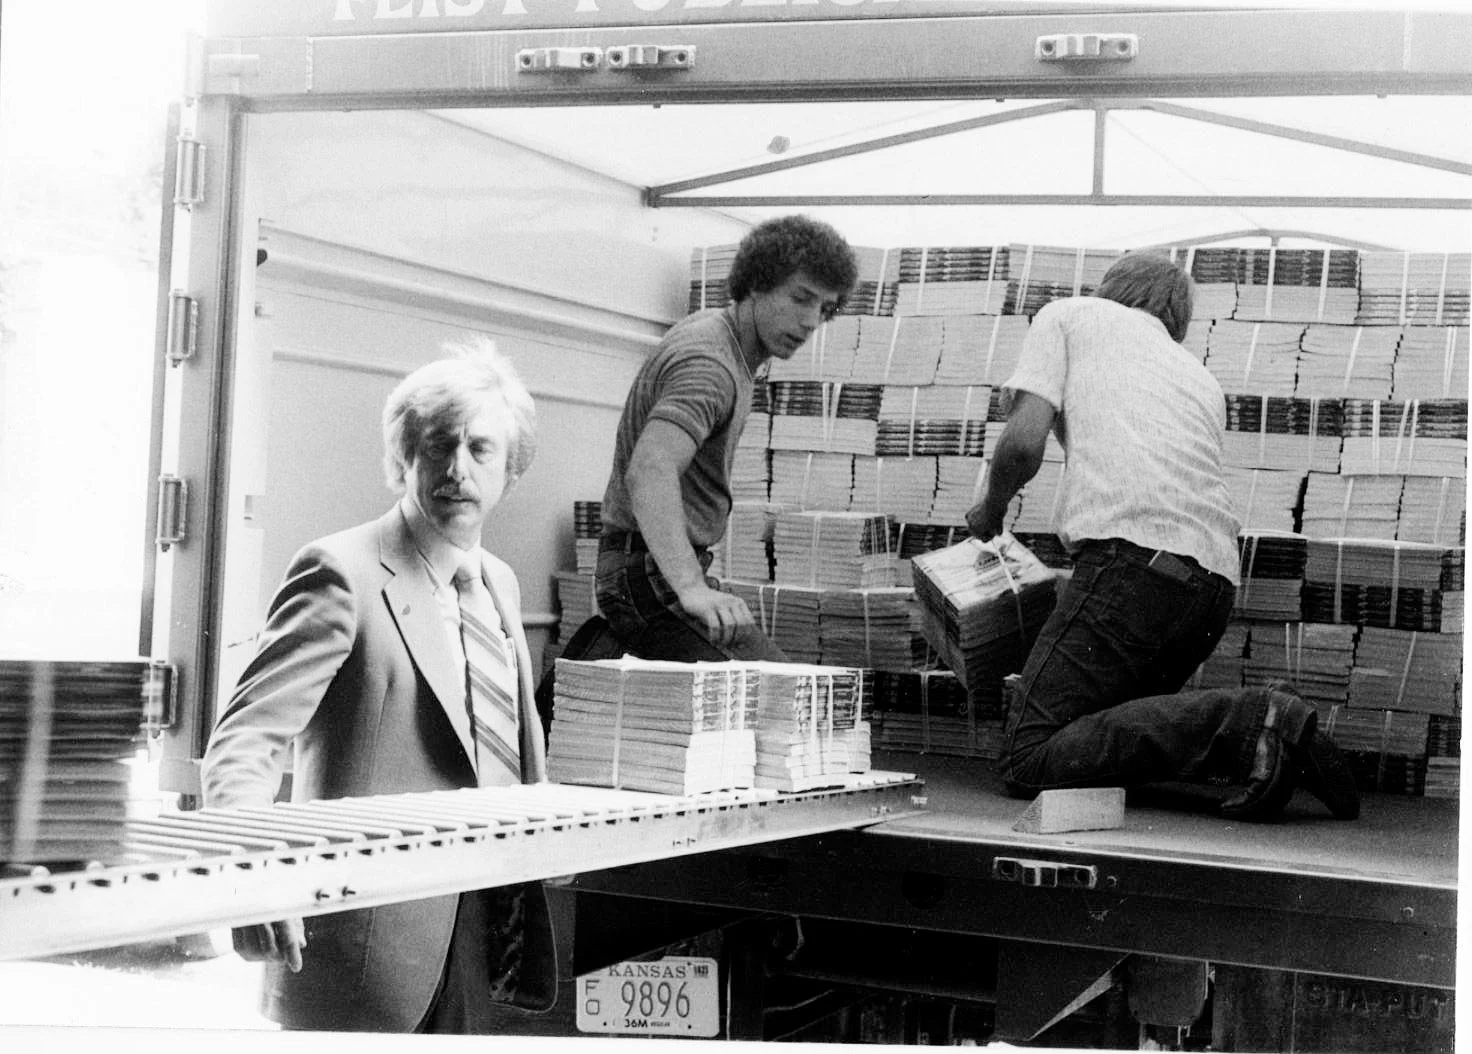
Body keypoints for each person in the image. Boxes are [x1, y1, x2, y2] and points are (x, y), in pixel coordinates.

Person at [200, 339, 558, 1031]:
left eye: (481, 450)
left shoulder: (501, 585)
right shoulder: (342, 572)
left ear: (510, 470)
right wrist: (254, 875)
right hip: (365, 951)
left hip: (483, 932)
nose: (457, 469)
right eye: (437, 446)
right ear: (403, 460)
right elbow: (244, 740)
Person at [966, 253, 1359, 822]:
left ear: (1110, 289)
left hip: (1131, 572)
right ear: (1176, 319)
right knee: (1094, 738)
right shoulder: (1197, 375)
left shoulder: (1070, 316)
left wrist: (990, 509)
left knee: (1029, 757)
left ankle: (1255, 721)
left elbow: (1023, 444)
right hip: (1211, 589)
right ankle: (1267, 740)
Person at [595, 214, 859, 661]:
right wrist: (692, 588)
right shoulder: (711, 366)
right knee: (774, 698)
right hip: (647, 575)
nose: (812, 320)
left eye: (825, 308)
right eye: (801, 298)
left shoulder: (719, 335)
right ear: (757, 283)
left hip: (649, 567)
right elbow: (651, 469)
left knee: (778, 689)